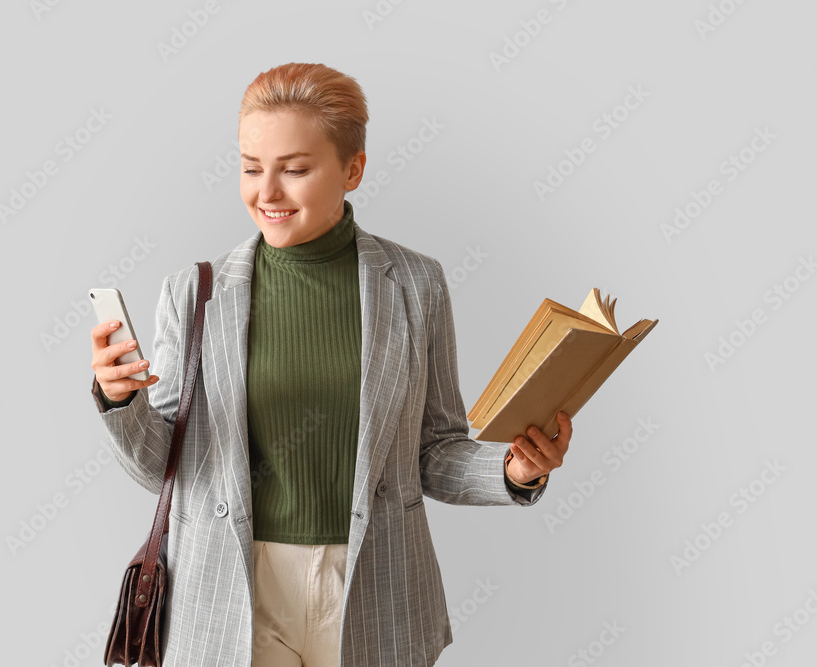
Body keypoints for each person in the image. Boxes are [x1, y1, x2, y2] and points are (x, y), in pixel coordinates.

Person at [90, 62, 572, 667]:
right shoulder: (194, 294)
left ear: (353, 169)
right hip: (232, 590)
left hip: (378, 586)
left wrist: (513, 470)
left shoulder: (415, 284)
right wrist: (119, 400)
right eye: (249, 167)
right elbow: (162, 465)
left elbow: (434, 450)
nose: (266, 192)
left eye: (294, 170)